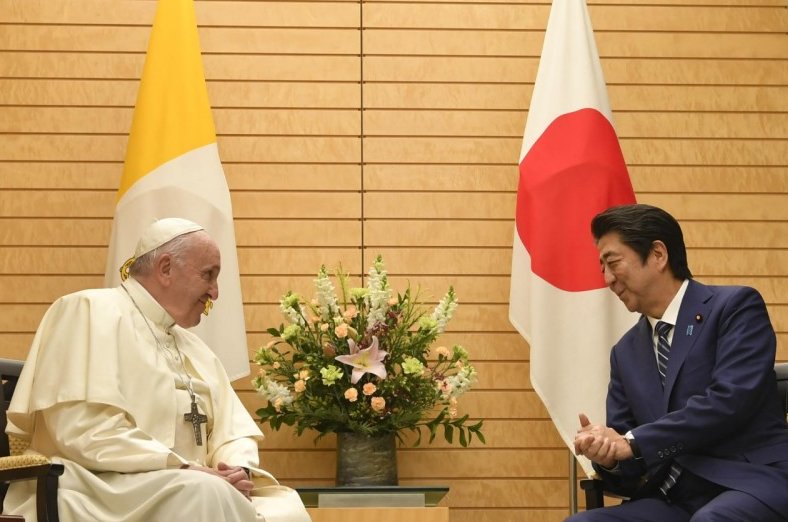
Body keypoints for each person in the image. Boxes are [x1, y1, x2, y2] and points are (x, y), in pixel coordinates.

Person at [4, 218, 310, 521]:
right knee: (205, 492)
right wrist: (182, 466)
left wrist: (235, 469)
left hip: (183, 483)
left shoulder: (194, 347)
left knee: (285, 509)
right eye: (208, 275)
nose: (215, 292)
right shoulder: (88, 310)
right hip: (94, 486)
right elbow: (82, 429)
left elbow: (232, 431)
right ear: (165, 268)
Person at [568, 204, 788, 521]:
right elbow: (628, 454)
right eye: (602, 267)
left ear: (658, 254)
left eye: (613, 263)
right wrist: (609, 456)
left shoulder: (735, 307)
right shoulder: (625, 352)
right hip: (674, 498)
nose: (607, 279)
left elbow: (728, 402)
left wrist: (633, 443)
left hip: (750, 480)